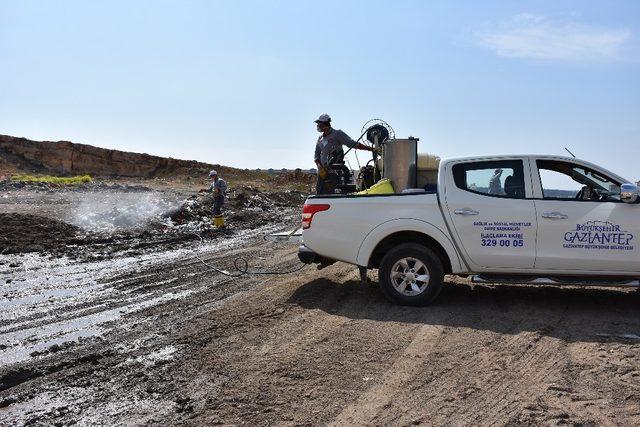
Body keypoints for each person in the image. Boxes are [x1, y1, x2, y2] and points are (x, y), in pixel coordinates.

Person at [313, 114, 374, 194]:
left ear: (325, 123)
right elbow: (316, 155)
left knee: (329, 193)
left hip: (333, 171)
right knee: (320, 192)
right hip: (322, 172)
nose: (318, 125)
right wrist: (320, 167)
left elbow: (352, 143)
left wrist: (370, 149)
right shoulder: (320, 138)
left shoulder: (337, 134)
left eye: (319, 123)